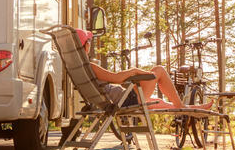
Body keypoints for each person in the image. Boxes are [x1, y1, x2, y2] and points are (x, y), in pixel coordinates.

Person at [76, 29, 212, 110]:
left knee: (160, 102)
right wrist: (135, 70)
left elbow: (115, 77)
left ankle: (192, 108)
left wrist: (134, 72)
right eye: (89, 42)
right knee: (159, 70)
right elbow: (116, 78)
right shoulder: (90, 66)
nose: (90, 44)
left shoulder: (81, 68)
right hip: (126, 100)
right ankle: (181, 106)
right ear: (85, 46)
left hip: (121, 100)